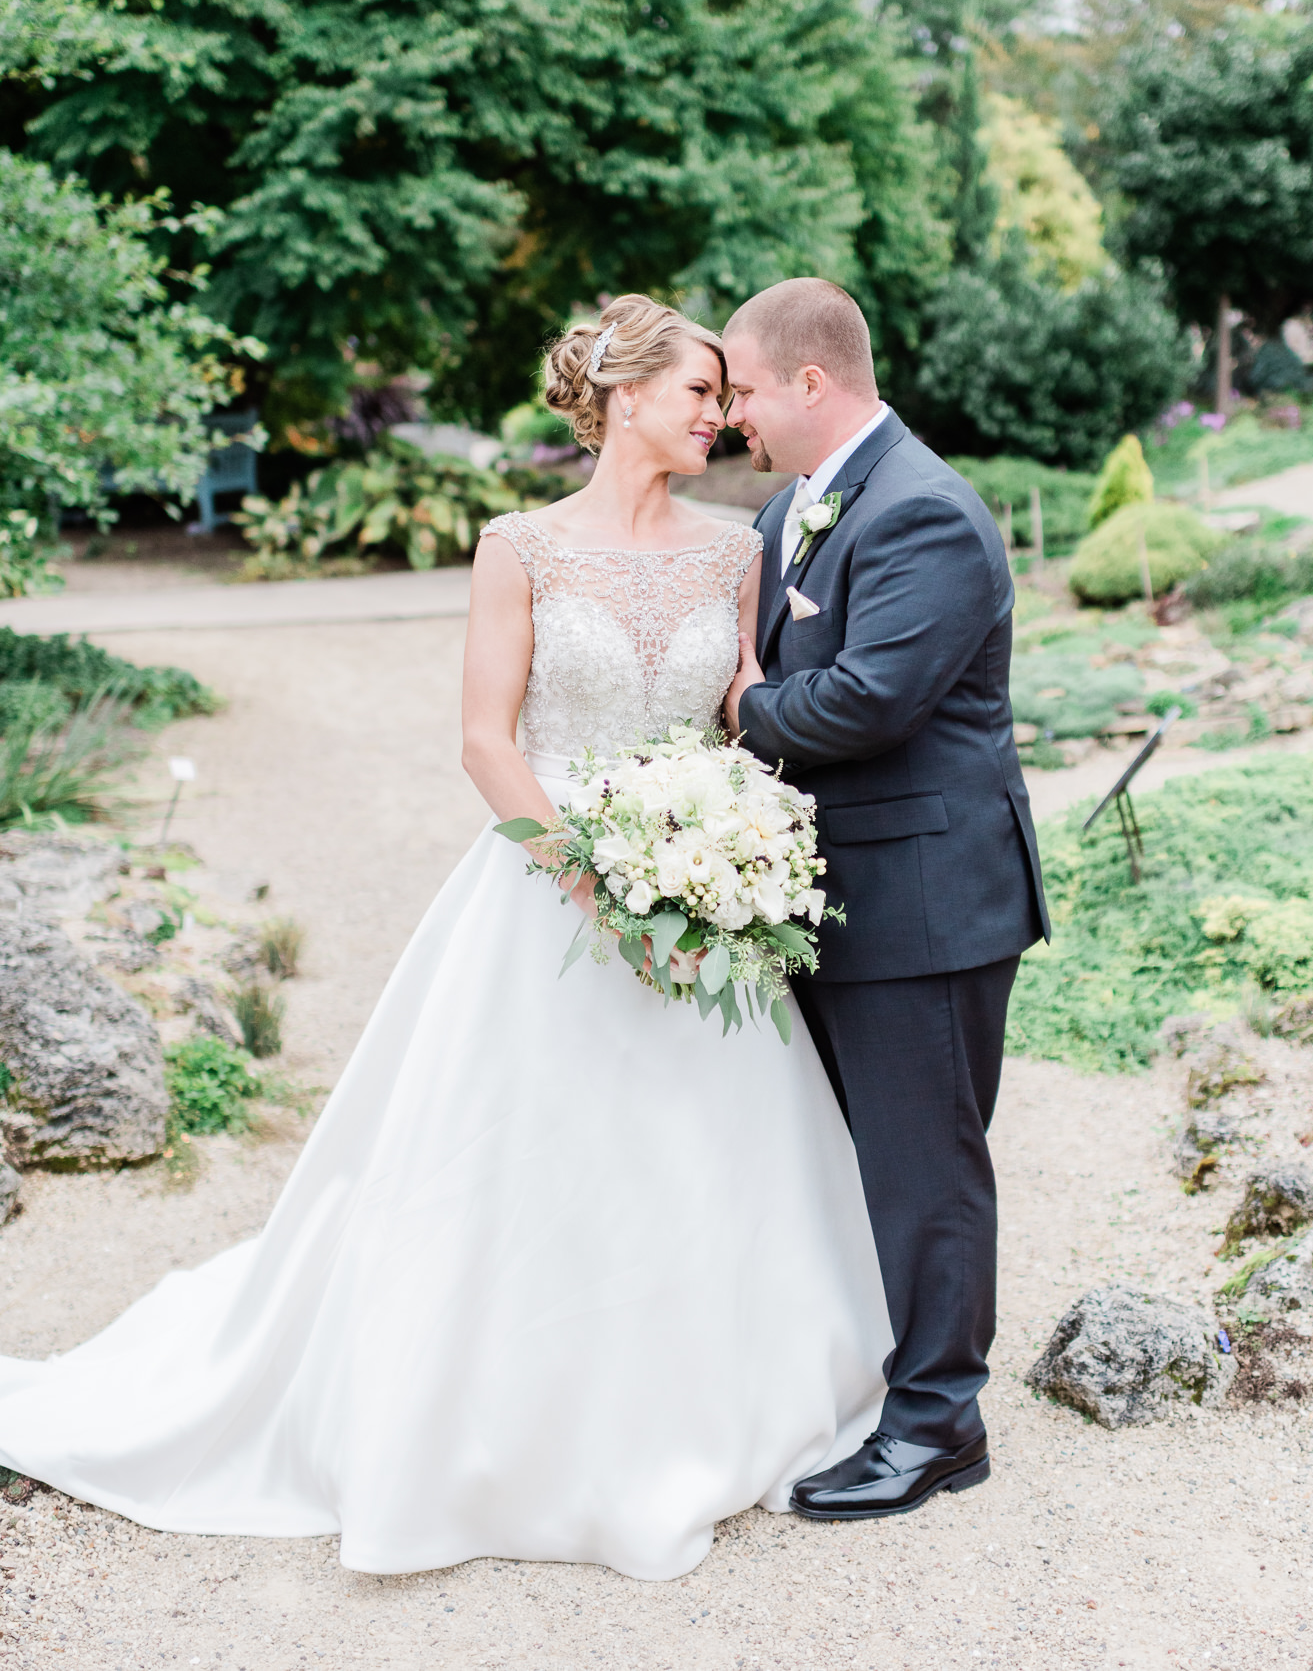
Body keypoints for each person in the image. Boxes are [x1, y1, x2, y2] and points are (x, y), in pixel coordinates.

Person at [0, 294, 891, 1582]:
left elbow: (737, 716)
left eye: (723, 395)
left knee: (707, 1163)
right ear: (624, 397)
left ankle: (700, 1403)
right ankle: (486, 1432)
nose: (720, 414)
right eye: (699, 393)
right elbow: (485, 739)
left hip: (695, 895)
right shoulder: (516, 546)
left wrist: (725, 857)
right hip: (543, 893)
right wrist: (591, 880)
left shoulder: (736, 547)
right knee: (504, 1171)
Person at [722, 277, 1049, 1521]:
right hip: (839, 889)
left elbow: (862, 700)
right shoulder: (787, 507)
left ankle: (936, 1426)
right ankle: (885, 1379)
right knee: (855, 1160)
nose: (735, 414)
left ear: (812, 382)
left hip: (926, 895)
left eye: (745, 389)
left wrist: (736, 710)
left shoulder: (927, 513)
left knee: (926, 1168)